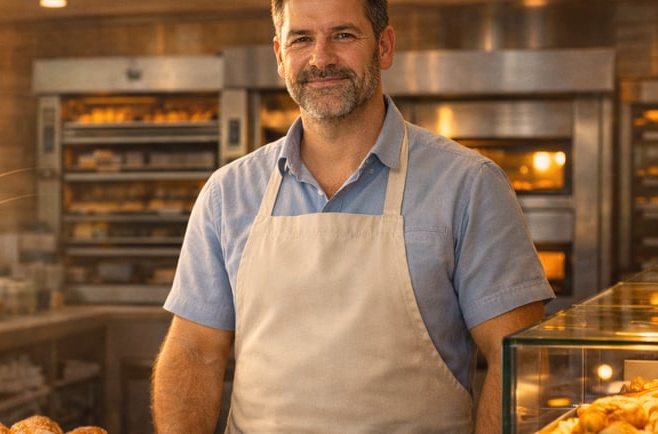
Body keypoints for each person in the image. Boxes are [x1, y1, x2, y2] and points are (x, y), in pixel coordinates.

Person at [149, 0, 555, 432]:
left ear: (384, 46)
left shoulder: (468, 185)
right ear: (280, 55)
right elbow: (195, 351)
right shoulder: (227, 194)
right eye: (301, 39)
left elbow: (518, 356)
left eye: (343, 35)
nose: (321, 58)